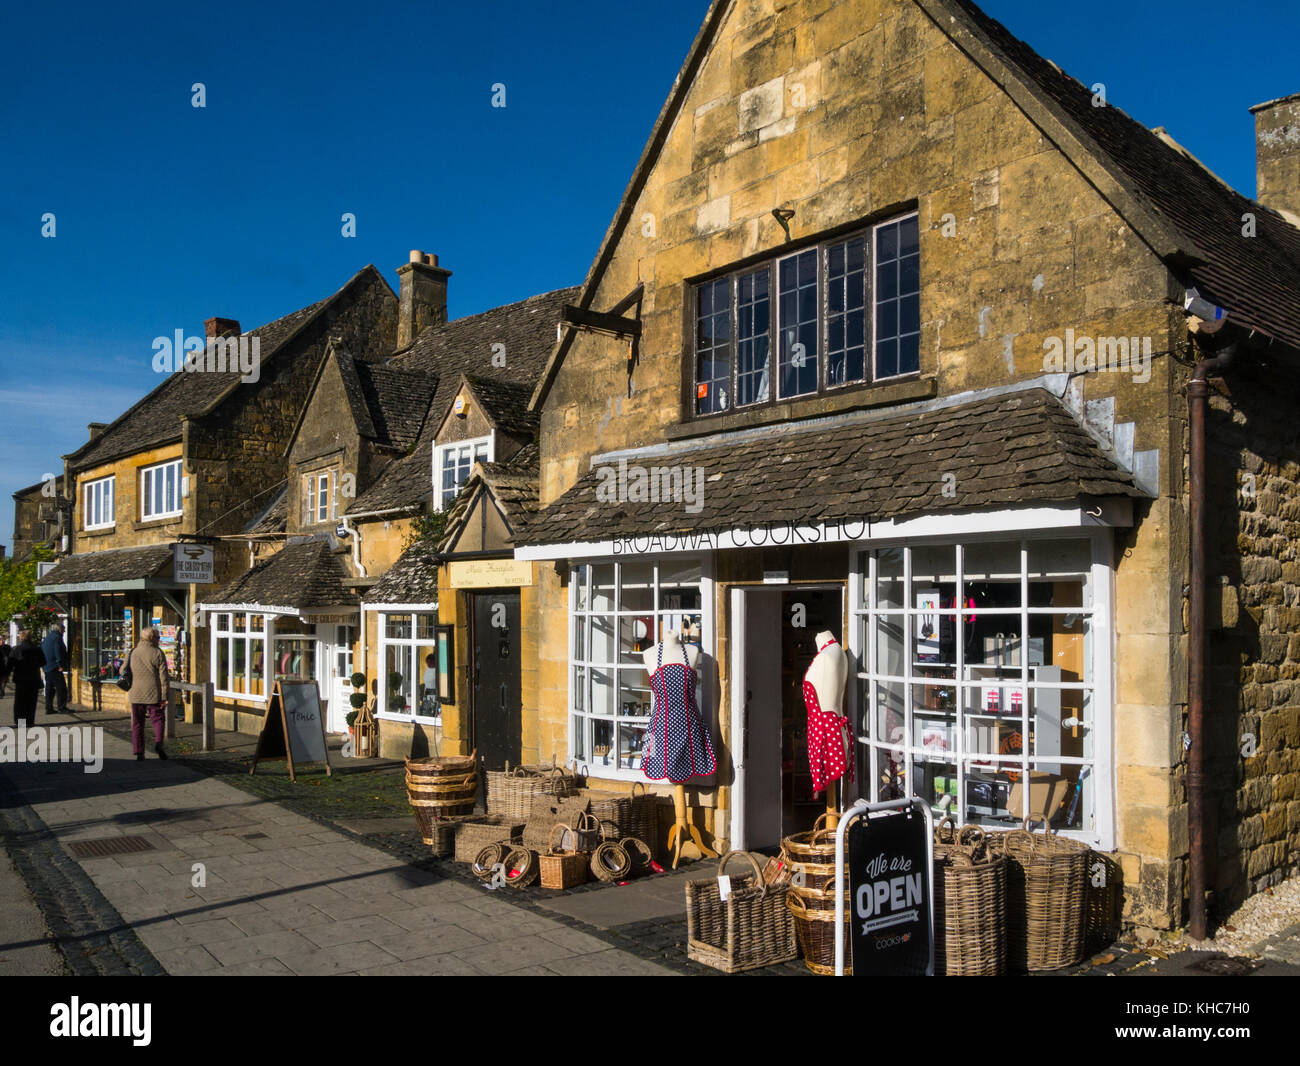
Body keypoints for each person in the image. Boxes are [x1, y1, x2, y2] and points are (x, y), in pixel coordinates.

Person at [127, 627, 170, 760]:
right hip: (153, 693)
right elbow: (164, 677)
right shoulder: (157, 652)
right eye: (157, 637)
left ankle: (139, 752)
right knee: (158, 719)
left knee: (137, 723)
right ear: (151, 638)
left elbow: (123, 669)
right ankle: (159, 744)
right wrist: (164, 696)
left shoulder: (132, 652)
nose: (159, 640)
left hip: (136, 693)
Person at [10, 630, 46, 727]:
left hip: (21, 679)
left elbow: (11, 663)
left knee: (20, 701)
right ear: (30, 637)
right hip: (34, 678)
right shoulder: (37, 649)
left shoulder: (16, 649)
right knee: (31, 701)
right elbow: (43, 662)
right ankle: (30, 721)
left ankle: (21, 723)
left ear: (21, 637)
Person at [41, 622, 69, 715]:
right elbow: (57, 651)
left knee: (50, 688)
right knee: (61, 688)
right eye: (63, 629)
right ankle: (61, 708)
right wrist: (60, 664)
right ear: (59, 629)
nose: (64, 631)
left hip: (47, 666)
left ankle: (49, 708)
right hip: (54, 666)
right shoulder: (57, 637)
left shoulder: (48, 637)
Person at [0, 633, 11, 699]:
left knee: (4, 679)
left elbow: (11, 656)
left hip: (5, 666)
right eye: (1, 639)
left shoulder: (8, 647)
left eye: (3, 639)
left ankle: (2, 690)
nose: (2, 641)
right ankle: (1, 690)